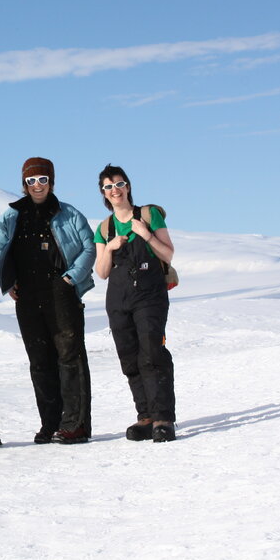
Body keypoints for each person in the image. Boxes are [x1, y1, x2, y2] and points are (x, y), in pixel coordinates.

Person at [0, 157, 96, 445]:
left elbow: (90, 246)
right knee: (39, 361)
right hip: (27, 295)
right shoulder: (12, 215)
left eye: (42, 180)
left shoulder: (68, 213)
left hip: (61, 291)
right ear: (24, 185)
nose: (37, 185)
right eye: (31, 181)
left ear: (51, 182)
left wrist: (70, 278)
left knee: (69, 357)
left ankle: (75, 425)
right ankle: (50, 423)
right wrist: (9, 281)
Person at [94, 164, 177, 443]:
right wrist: (111, 248)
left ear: (127, 186)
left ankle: (163, 418)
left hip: (149, 295)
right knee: (129, 356)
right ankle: (145, 417)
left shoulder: (148, 215)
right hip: (118, 298)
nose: (114, 190)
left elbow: (167, 254)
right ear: (103, 193)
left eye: (118, 184)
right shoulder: (104, 228)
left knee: (152, 352)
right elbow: (102, 271)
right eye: (108, 187)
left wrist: (146, 234)